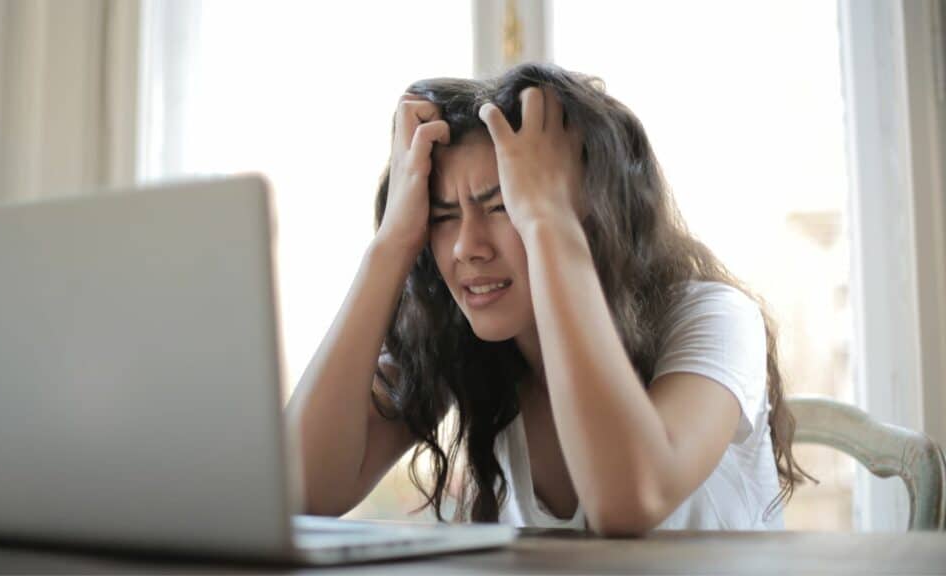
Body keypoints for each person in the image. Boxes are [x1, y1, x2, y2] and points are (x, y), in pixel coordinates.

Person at [286, 62, 812, 535]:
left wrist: (547, 222)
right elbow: (300, 491)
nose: (467, 248)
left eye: (503, 206)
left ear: (589, 211)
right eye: (442, 217)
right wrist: (391, 244)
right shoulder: (466, 345)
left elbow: (630, 500)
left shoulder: (715, 318)